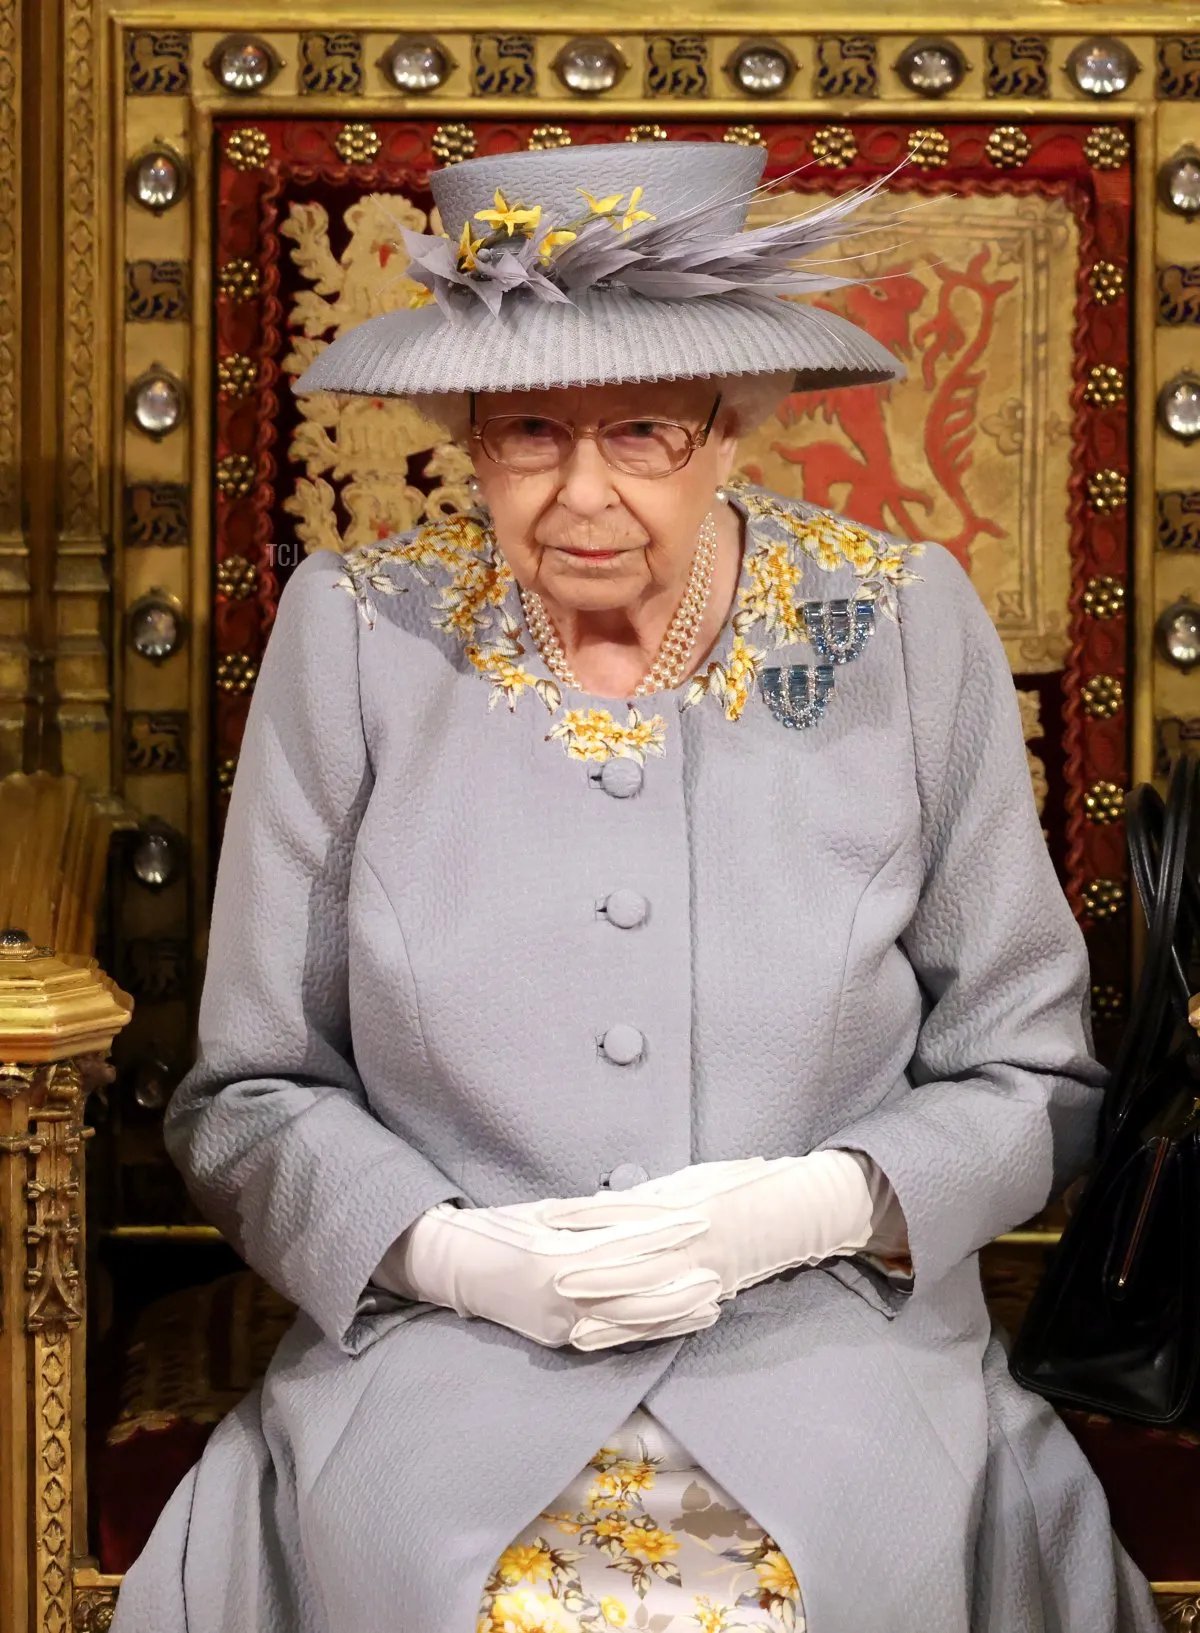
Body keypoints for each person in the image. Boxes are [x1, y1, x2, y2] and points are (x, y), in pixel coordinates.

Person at [110, 139, 1162, 1633]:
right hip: (438, 1365)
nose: (581, 494)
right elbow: (247, 1094)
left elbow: (1032, 1076)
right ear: (466, 432)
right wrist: (446, 1254)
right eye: (531, 430)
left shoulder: (898, 626)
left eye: (646, 433)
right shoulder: (353, 636)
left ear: (733, 429)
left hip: (832, 1352)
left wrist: (810, 1206)